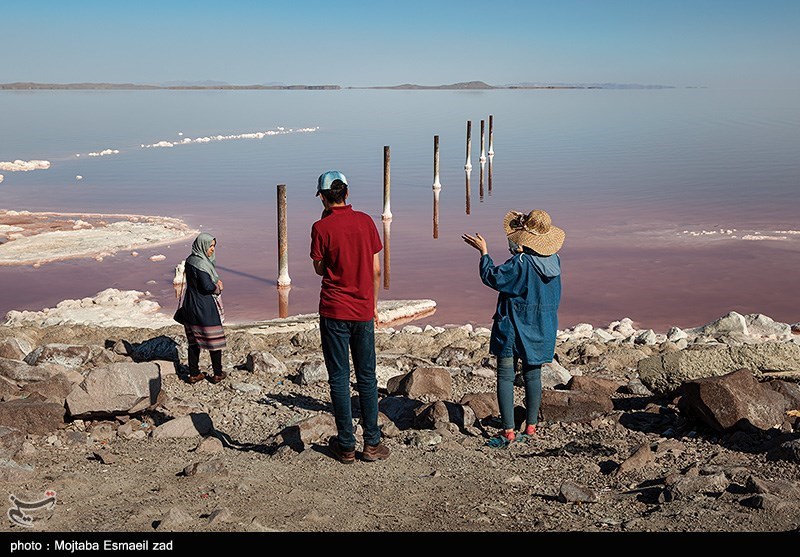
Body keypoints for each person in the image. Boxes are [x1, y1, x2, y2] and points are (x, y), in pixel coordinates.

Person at [462, 209, 564, 447]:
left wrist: (483, 252)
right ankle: (530, 427)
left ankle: (508, 430)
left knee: (506, 376)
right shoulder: (555, 262)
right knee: (533, 375)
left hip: (513, 325)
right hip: (542, 326)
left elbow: (493, 277)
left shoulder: (520, 263)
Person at [310, 170, 390, 464]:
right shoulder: (367, 222)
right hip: (362, 310)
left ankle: (345, 445)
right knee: (367, 377)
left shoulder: (320, 228)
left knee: (339, 379)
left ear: (323, 197)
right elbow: (376, 270)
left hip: (333, 309)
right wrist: (374, 305)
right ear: (347, 193)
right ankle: (372, 443)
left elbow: (319, 268)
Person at [178, 232, 228, 384]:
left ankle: (194, 374)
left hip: (190, 305)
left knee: (194, 342)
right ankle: (217, 374)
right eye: (210, 246)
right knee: (214, 341)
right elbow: (206, 286)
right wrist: (217, 287)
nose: (212, 249)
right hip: (204, 307)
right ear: (202, 245)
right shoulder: (202, 265)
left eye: (213, 246)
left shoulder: (190, 260)